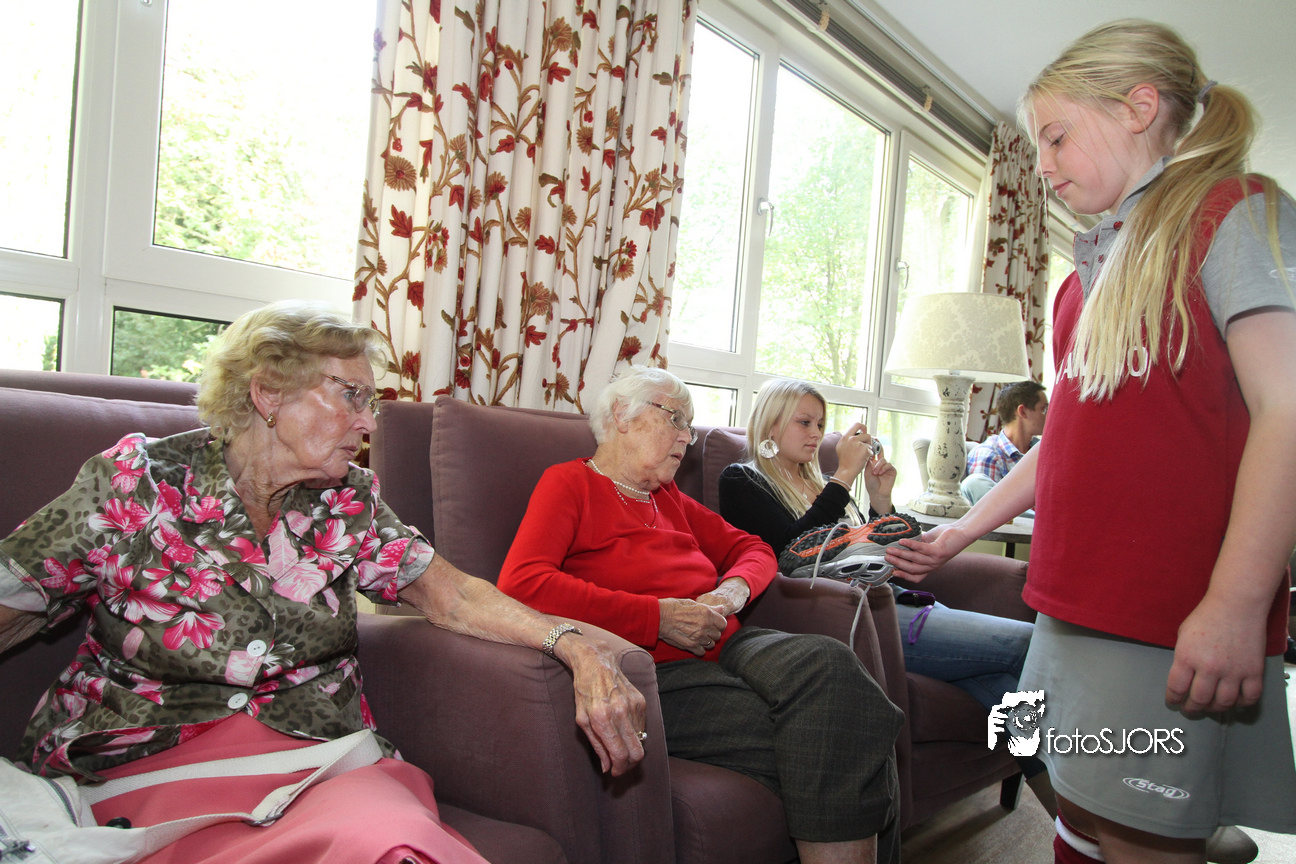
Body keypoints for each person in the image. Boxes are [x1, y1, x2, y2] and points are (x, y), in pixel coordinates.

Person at [0, 300, 646, 864]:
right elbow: (14, 598)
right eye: (351, 396)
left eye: (371, 402)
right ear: (268, 394)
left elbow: (453, 595)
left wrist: (572, 645)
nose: (369, 424)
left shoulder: (346, 500)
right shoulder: (137, 482)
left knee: (391, 844)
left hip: (317, 760)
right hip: (147, 762)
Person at [886, 19, 1296, 864]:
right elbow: (1065, 444)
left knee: (1141, 835)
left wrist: (1236, 601)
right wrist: (959, 533)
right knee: (1078, 817)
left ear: (1138, 108)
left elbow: (1287, 407)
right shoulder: (1079, 286)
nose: (1042, 164)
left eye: (1056, 136)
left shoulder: (1234, 214)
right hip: (1070, 609)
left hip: (1161, 616)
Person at [498, 366, 903, 864]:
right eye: (675, 419)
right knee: (851, 729)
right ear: (622, 416)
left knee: (832, 662)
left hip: (730, 641)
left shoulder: (668, 497)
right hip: (655, 669)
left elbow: (756, 549)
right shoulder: (569, 483)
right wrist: (657, 617)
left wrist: (730, 594)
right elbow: (523, 584)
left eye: (689, 426)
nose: (686, 438)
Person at [718, 377, 1054, 818]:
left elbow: (880, 554)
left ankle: (1072, 823)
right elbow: (790, 554)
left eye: (820, 423)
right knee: (1031, 643)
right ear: (771, 425)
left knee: (1007, 690)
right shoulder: (742, 479)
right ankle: (1083, 820)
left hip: (893, 600)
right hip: (856, 616)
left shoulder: (821, 485)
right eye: (804, 423)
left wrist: (881, 502)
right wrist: (843, 478)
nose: (816, 434)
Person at [962, 381, 1048, 506]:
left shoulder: (1044, 452)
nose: (1049, 415)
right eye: (1043, 409)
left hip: (1045, 515)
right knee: (974, 482)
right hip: (1015, 517)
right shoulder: (989, 455)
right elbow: (990, 509)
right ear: (1023, 411)